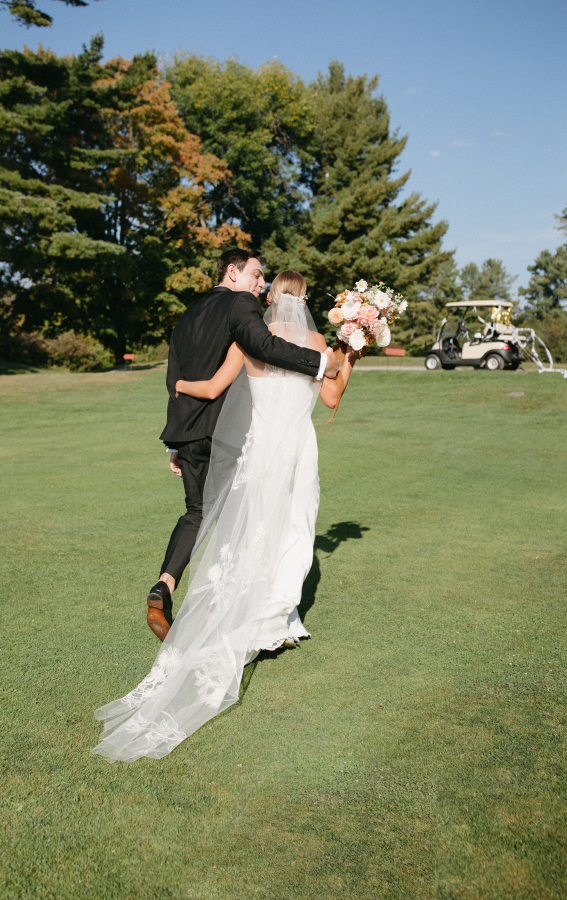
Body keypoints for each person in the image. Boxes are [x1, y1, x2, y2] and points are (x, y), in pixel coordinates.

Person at [92, 271, 357, 762]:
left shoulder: (249, 340)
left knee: (252, 529)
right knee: (295, 530)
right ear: (306, 302)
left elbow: (213, 387)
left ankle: (249, 616)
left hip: (260, 454)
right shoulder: (319, 342)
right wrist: (352, 356)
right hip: (300, 450)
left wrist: (178, 385)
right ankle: (277, 620)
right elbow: (333, 398)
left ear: (272, 297)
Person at [146, 249, 339, 640]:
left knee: (196, 513)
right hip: (225, 437)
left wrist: (174, 442)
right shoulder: (240, 304)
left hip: (187, 433)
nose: (260, 284)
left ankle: (164, 584)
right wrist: (323, 362)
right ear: (232, 272)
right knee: (244, 519)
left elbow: (177, 377)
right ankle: (228, 608)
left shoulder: (187, 315)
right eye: (255, 274)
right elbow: (265, 346)